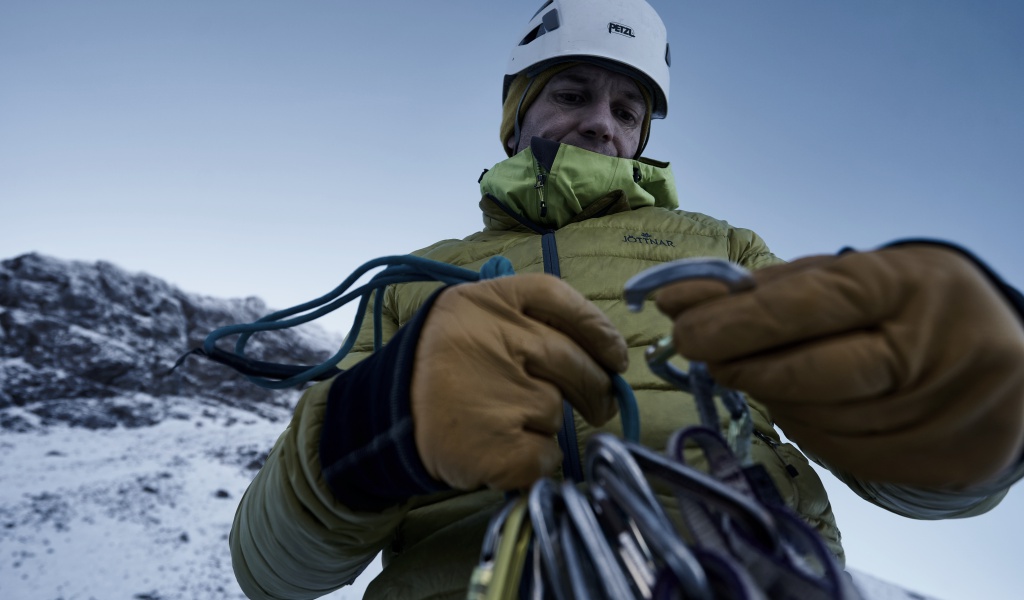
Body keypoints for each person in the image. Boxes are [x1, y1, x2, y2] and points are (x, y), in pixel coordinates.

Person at [228, 1, 1024, 598]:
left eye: (627, 109)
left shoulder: (723, 249)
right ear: (515, 119)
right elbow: (273, 571)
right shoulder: (415, 279)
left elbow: (909, 471)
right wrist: (370, 433)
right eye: (571, 93)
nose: (601, 125)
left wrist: (973, 413)